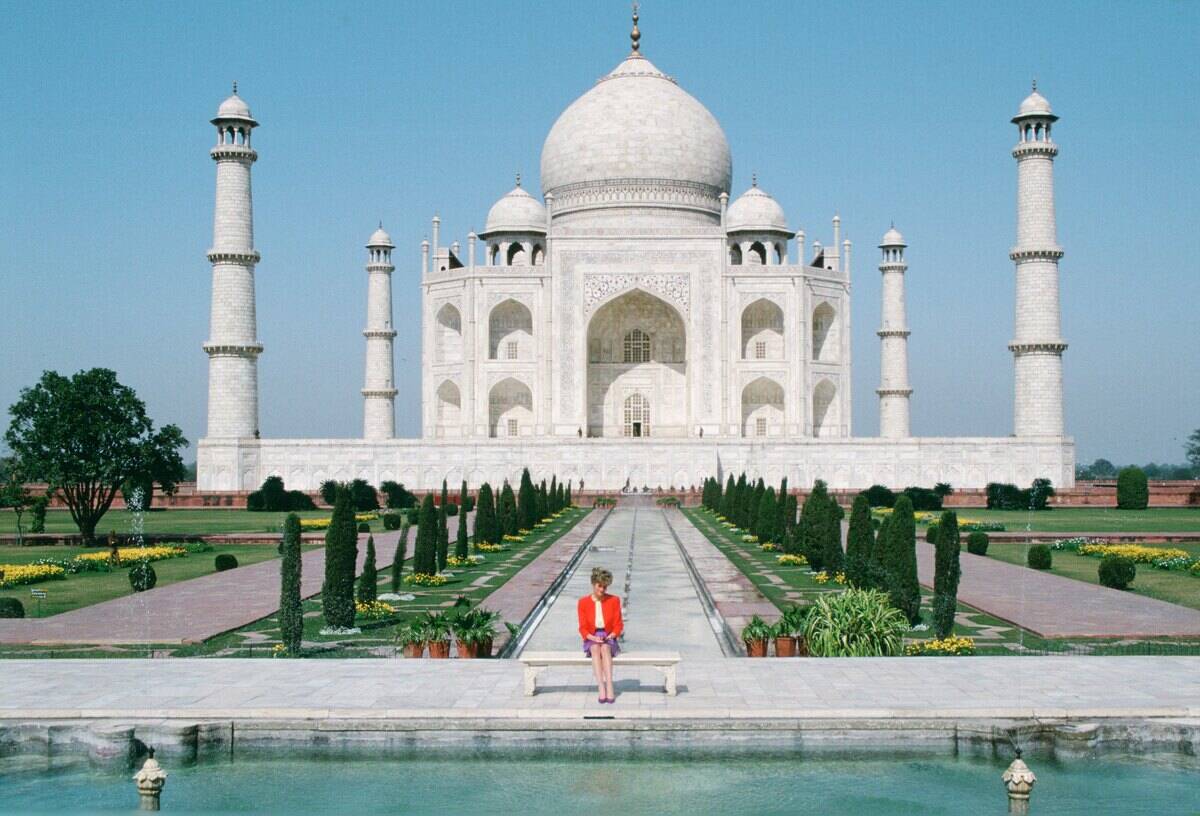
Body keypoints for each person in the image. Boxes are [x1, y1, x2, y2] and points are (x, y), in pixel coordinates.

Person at [577, 567, 623, 703]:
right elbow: (582, 628)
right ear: (593, 584)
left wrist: (611, 635)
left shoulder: (614, 600)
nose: (602, 589)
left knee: (605, 648)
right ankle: (601, 687)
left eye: (605, 586)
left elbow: (618, 625)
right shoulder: (583, 602)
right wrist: (593, 638)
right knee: (595, 648)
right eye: (599, 586)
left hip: (608, 635)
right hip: (592, 636)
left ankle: (609, 685)